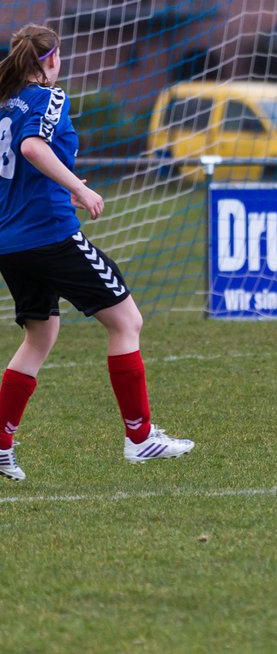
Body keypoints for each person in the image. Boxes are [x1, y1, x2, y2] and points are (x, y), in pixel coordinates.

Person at [0, 24, 194, 482]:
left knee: (39, 338)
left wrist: (57, 188)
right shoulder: (48, 97)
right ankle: (141, 438)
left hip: (11, 241)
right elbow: (32, 147)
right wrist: (79, 190)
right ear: (50, 59)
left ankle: (1, 445)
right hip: (49, 236)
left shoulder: (3, 105)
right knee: (127, 322)